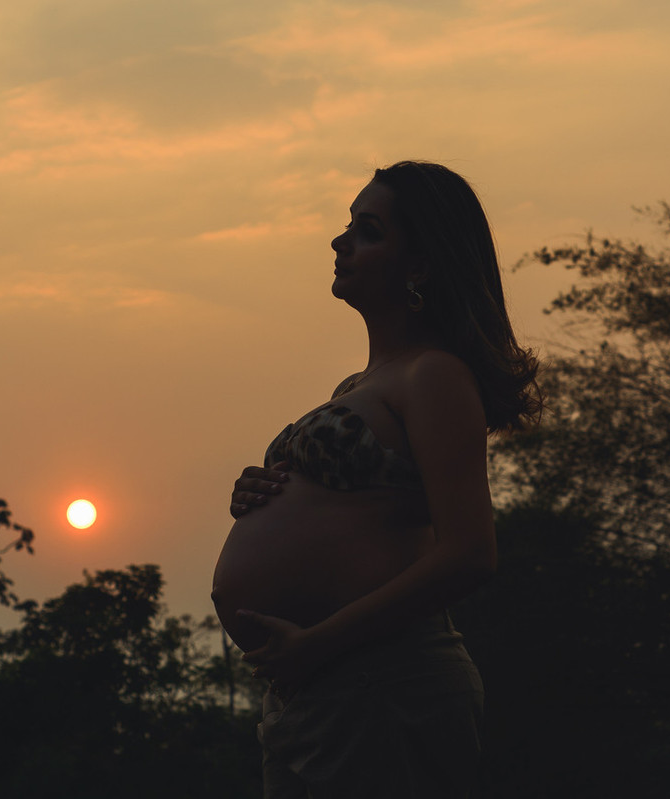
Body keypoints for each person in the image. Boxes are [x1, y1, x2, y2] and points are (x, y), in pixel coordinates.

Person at [211, 160, 540, 798]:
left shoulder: (435, 376)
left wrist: (319, 643)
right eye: (347, 228)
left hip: (384, 686)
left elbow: (471, 553)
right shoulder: (360, 386)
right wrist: (256, 496)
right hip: (314, 695)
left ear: (419, 265)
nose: (341, 243)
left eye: (367, 231)